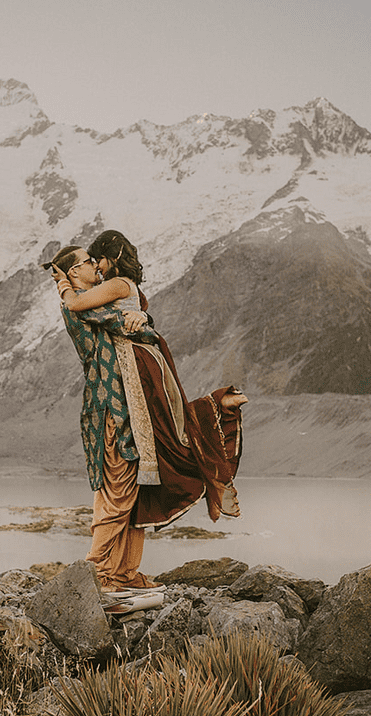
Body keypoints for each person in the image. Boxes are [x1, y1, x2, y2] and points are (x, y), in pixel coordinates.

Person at [47, 233, 247, 592]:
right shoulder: (86, 307)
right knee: (118, 491)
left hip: (133, 402)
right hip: (115, 409)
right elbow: (100, 314)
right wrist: (66, 286)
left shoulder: (109, 294)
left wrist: (140, 316)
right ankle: (96, 576)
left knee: (134, 489)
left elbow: (120, 314)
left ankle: (121, 573)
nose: (96, 265)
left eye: (98, 259)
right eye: (88, 262)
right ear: (75, 271)